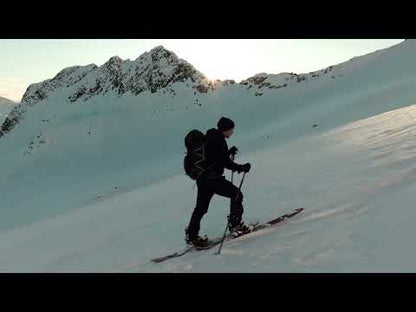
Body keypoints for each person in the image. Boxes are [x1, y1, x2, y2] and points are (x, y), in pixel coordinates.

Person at [185, 117, 252, 247]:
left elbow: (214, 157)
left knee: (200, 208)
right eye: (231, 130)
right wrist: (242, 167)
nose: (232, 132)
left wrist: (228, 152)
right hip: (213, 180)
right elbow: (224, 162)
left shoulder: (211, 136)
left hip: (203, 180)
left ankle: (192, 236)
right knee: (237, 194)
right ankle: (236, 225)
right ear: (225, 129)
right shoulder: (217, 140)